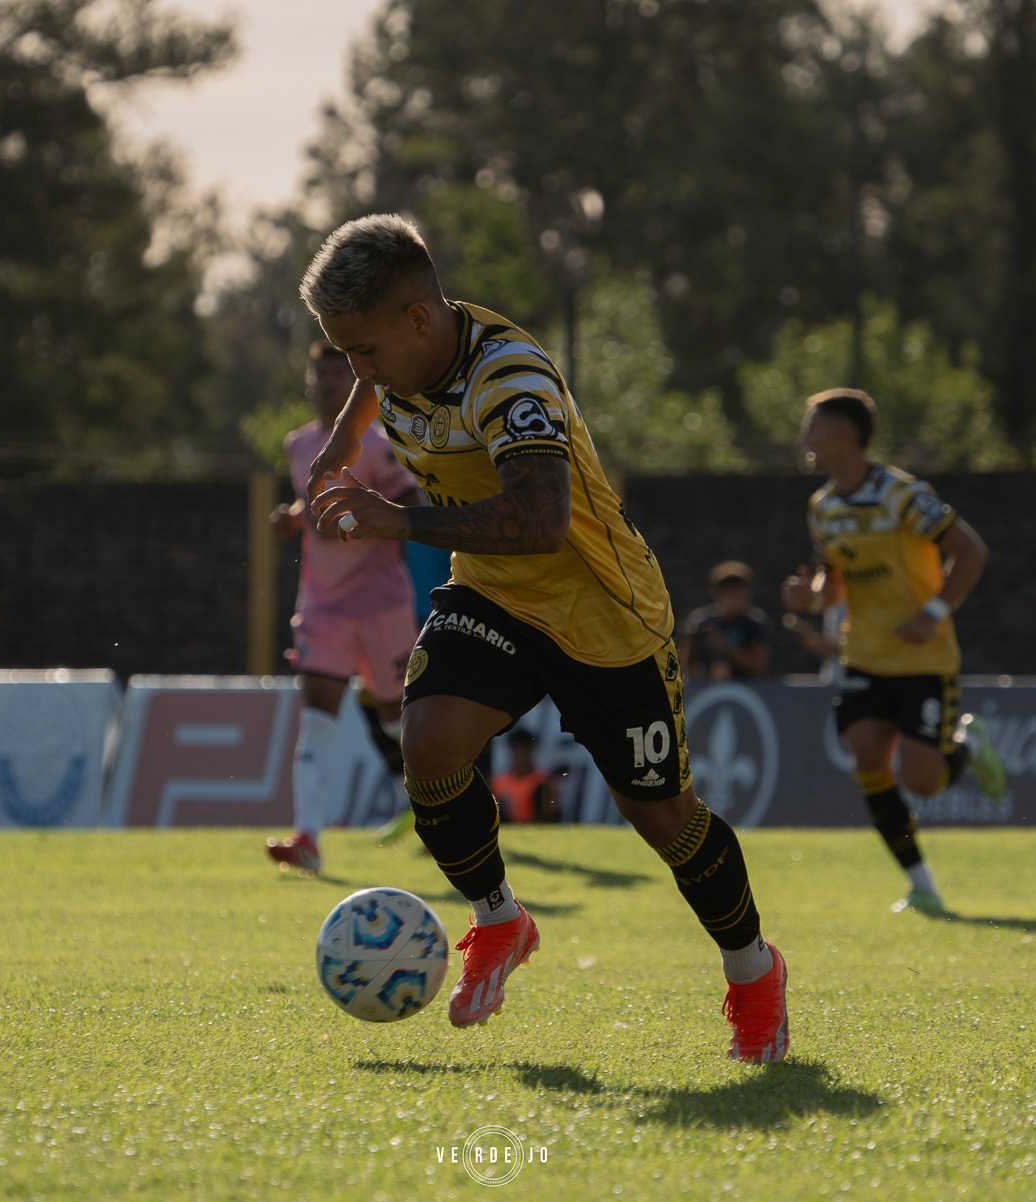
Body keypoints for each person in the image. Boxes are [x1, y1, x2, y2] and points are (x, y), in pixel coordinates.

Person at [300, 214, 790, 1062]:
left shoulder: (509, 378)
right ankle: (500, 920)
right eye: (345, 355)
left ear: (419, 319)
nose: (357, 371)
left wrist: (393, 521)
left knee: (662, 816)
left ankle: (754, 972)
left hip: (603, 610)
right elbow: (375, 386)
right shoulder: (402, 351)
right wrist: (346, 436)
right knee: (429, 744)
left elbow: (539, 520)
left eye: (363, 352)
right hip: (494, 593)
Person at [781, 389, 1008, 916]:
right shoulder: (823, 508)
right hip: (863, 655)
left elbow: (970, 551)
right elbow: (833, 584)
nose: (804, 439)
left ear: (841, 435)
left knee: (922, 781)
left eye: (811, 427)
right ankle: (921, 884)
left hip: (923, 658)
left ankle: (969, 745)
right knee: (867, 761)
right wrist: (808, 597)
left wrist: (932, 613)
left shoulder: (901, 494)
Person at [263, 342, 421, 875]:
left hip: (380, 603)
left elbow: (413, 506)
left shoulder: (375, 444)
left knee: (400, 717)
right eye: (322, 374)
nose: (331, 383)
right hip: (323, 606)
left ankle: (440, 806)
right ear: (309, 382)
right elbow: (312, 507)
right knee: (317, 722)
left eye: (340, 373)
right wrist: (293, 518)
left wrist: (363, 517)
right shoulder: (297, 445)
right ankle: (307, 836)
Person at [681, 561, 772, 681]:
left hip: (746, 690)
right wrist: (689, 644)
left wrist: (724, 645)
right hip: (706, 691)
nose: (733, 595)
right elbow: (686, 669)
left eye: (738, 589)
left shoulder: (755, 622)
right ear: (716, 593)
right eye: (728, 590)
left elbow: (759, 666)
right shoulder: (701, 622)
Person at [490, 729, 560, 824]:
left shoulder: (542, 781)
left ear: (531, 749)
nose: (521, 752)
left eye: (525, 747)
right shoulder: (498, 782)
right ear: (511, 749)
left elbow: (548, 817)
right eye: (517, 747)